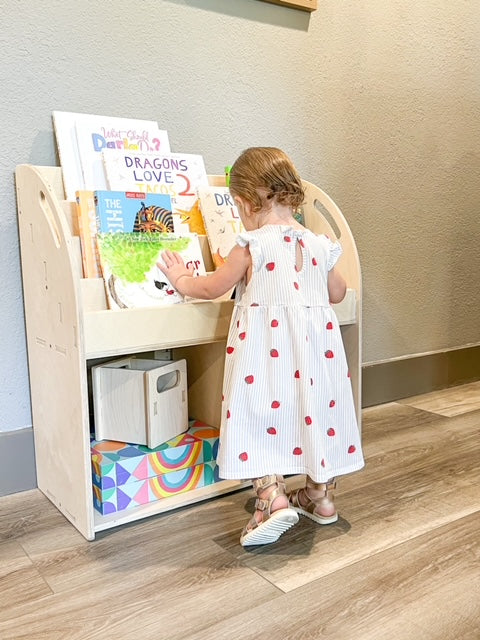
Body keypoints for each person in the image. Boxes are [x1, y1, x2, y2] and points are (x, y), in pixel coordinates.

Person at [158, 147, 364, 547]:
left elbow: (214, 287)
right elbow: (337, 293)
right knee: (312, 413)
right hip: (316, 358)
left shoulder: (252, 244)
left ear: (243, 202)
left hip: (264, 355)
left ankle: (272, 497)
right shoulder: (319, 244)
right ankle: (320, 497)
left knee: (259, 414)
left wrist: (182, 278)